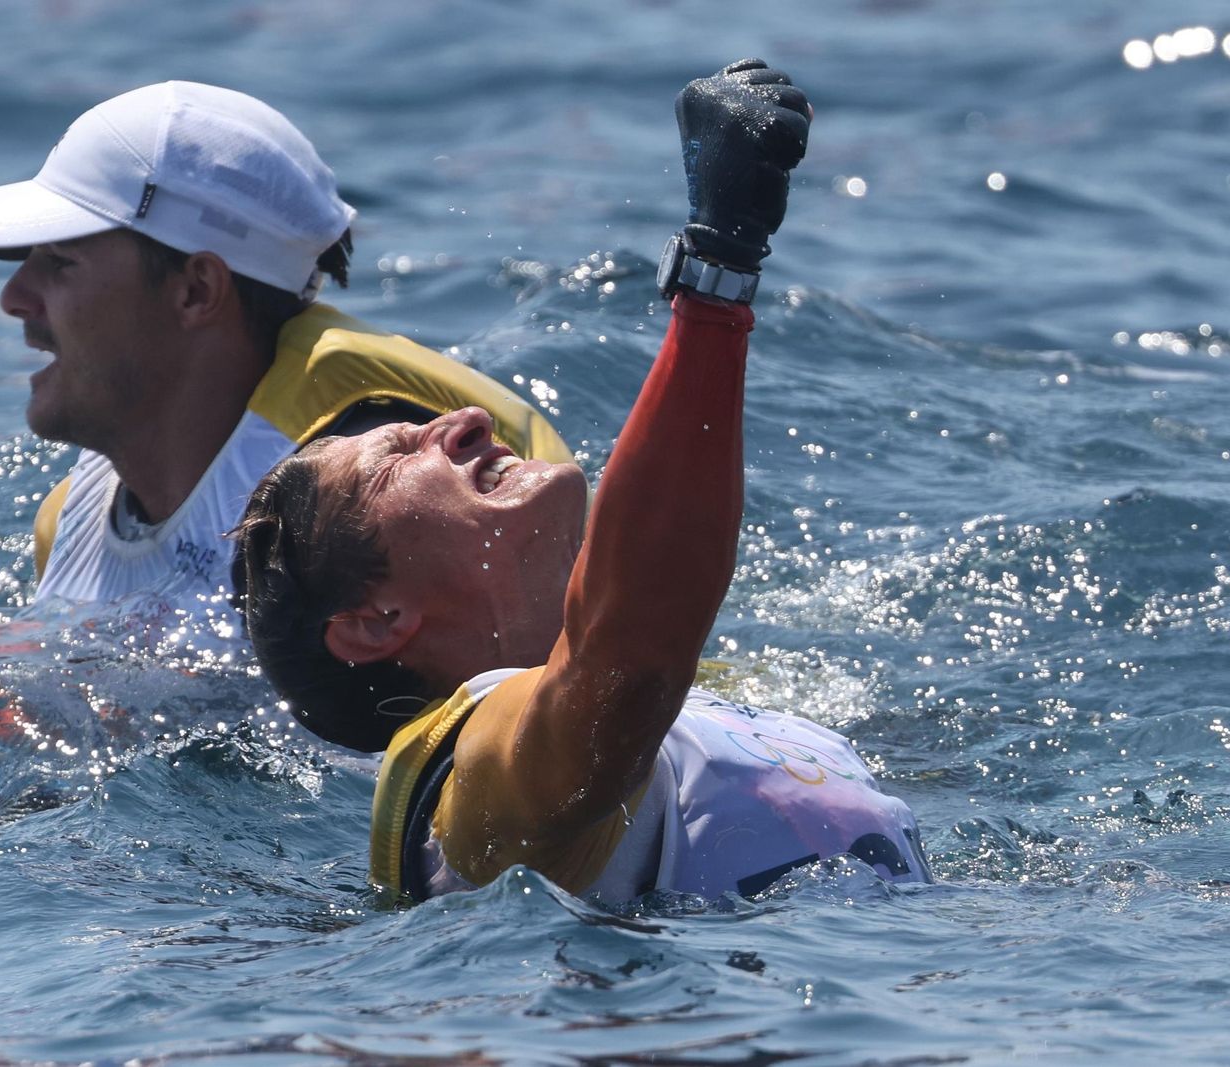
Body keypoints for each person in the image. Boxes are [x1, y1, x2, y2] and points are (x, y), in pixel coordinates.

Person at [236, 61, 932, 903]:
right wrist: (718, 268)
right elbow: (627, 661)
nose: (466, 421)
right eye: (399, 454)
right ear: (377, 620)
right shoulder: (479, 787)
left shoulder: (713, 707)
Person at [0, 81, 569, 643]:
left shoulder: (374, 494)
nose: (13, 298)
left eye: (59, 262)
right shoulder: (70, 524)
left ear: (196, 290)